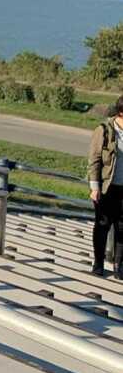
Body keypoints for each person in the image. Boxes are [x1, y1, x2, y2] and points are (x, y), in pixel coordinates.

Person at [88, 95, 123, 278]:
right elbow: (94, 160)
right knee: (102, 225)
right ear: (121, 112)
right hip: (107, 187)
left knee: (122, 228)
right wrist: (95, 187)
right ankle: (98, 263)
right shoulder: (104, 130)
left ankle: (119, 266)